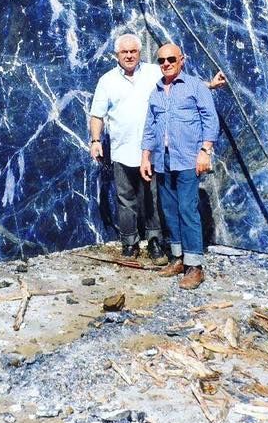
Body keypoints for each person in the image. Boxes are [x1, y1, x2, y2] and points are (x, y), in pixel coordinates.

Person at [90, 34, 224, 260]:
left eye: (134, 51)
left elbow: (183, 84)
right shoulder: (107, 81)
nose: (130, 55)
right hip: (123, 151)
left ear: (140, 53)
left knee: (155, 200)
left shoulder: (155, 71)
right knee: (126, 200)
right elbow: (97, 114)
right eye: (125, 52)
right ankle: (129, 243)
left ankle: (156, 243)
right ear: (117, 55)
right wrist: (95, 141)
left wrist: (209, 85)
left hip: (155, 153)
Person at [140, 42, 219, 290]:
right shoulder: (155, 92)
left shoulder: (195, 87)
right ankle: (177, 258)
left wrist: (205, 151)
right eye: (161, 60)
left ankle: (195, 266)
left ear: (181, 59)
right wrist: (145, 157)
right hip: (163, 162)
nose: (166, 64)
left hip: (187, 159)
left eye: (171, 59)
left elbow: (210, 119)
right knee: (169, 210)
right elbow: (150, 128)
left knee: (187, 209)